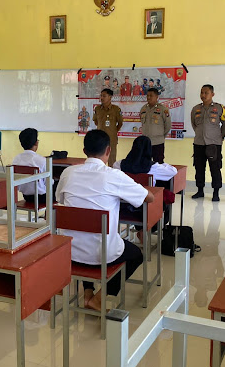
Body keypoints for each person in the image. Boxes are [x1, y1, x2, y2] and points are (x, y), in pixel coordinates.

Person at [56, 130, 154, 311]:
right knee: (136, 255)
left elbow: (59, 199)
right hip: (102, 255)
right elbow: (149, 198)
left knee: (84, 236)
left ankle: (87, 294)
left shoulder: (68, 173)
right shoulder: (114, 175)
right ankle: (98, 298)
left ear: (84, 150)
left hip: (70, 252)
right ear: (108, 150)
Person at [113, 136, 177, 238]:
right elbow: (173, 171)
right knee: (165, 202)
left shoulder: (119, 164)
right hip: (146, 207)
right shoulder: (153, 167)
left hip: (125, 206)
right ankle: (146, 230)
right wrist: (160, 163)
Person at [190, 84, 225, 202]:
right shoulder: (195, 109)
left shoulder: (220, 108)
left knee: (215, 169)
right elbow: (194, 124)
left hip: (214, 144)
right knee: (199, 168)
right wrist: (200, 134)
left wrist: (220, 137)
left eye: (206, 93)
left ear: (212, 94)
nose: (203, 95)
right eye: (201, 92)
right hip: (199, 143)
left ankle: (216, 192)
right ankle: (200, 190)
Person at [11, 128, 54, 204]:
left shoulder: (16, 159)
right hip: (42, 197)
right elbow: (48, 183)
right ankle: (50, 214)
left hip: (26, 196)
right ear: (36, 143)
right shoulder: (42, 160)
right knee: (57, 183)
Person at [93, 88, 124, 166]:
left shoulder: (116, 109)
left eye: (104, 96)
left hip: (111, 139)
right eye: (101, 96)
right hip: (99, 139)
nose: (102, 98)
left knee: (111, 161)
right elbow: (96, 121)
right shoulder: (97, 109)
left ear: (110, 97)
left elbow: (120, 123)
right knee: (98, 160)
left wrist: (113, 131)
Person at [140, 87, 171, 163]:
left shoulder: (163, 109)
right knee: (145, 163)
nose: (149, 97)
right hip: (146, 142)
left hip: (158, 142)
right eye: (147, 96)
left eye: (151, 96)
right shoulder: (143, 109)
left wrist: (160, 136)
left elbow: (168, 125)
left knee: (159, 163)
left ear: (157, 97)